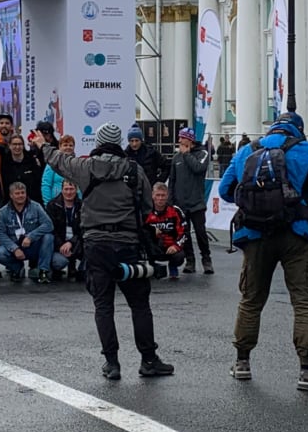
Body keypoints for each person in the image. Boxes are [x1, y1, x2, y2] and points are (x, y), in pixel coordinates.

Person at [38, 123, 173, 380]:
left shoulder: (85, 167)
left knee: (103, 305)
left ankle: (112, 364)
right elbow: (146, 209)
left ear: (98, 142)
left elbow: (57, 161)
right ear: (119, 140)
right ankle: (148, 360)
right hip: (128, 245)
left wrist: (42, 145)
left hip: (96, 245)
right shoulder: (134, 170)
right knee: (139, 304)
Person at [218, 111, 308, 391]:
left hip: (255, 234)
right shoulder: (306, 150)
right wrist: (299, 193)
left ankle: (242, 362)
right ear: (298, 130)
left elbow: (225, 190)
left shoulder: (248, 149)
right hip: (297, 233)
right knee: (304, 301)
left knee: (251, 299)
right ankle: (307, 371)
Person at [168, 129, 214, 274]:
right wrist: (171, 200)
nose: (180, 141)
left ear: (190, 140)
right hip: (181, 204)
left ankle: (206, 259)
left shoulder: (203, 154)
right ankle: (190, 260)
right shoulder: (176, 158)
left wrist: (187, 154)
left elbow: (198, 168)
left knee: (200, 232)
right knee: (184, 233)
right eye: (179, 138)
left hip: (197, 203)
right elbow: (172, 180)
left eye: (182, 138)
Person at [0, 181, 58, 281]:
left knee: (49, 238)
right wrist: (14, 248)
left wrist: (31, 236)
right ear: (11, 195)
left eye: (22, 192)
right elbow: (0, 233)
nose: (21, 195)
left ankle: (43, 271)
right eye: (17, 193)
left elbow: (48, 225)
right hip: (15, 245)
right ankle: (17, 268)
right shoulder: (3, 212)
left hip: (33, 245)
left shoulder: (36, 206)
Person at [143, 182, 192, 279]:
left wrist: (176, 246)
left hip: (170, 247)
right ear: (152, 195)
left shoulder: (175, 211)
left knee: (179, 256)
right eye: (158, 195)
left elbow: (184, 232)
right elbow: (140, 230)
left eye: (163, 195)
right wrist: (152, 230)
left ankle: (173, 266)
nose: (160, 198)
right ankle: (150, 267)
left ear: (167, 196)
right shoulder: (146, 211)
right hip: (152, 247)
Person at [46, 179, 84, 281]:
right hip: (59, 243)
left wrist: (71, 243)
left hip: (77, 243)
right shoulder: (52, 205)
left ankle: (80, 269)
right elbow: (50, 229)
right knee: (58, 262)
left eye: (71, 189)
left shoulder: (83, 206)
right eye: (66, 189)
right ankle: (55, 269)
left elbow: (84, 229)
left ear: (76, 190)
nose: (68, 192)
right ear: (61, 190)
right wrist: (61, 245)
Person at [6, 132, 45, 203]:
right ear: (9, 145)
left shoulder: (32, 160)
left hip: (33, 201)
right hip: (11, 203)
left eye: (20, 144)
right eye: (14, 144)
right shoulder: (5, 162)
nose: (17, 147)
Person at [41, 135, 77, 203]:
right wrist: (48, 204)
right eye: (65, 145)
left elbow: (79, 187)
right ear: (60, 147)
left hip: (74, 204)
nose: (68, 147)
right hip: (55, 205)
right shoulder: (52, 162)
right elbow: (46, 185)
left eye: (70, 145)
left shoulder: (77, 163)